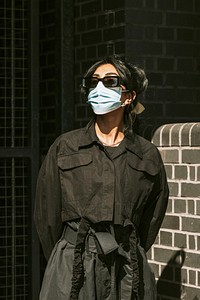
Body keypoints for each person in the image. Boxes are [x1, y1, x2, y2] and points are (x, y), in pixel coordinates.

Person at [34, 55, 169, 300]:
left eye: (109, 81)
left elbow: (152, 218)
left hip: (127, 269)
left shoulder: (146, 155)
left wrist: (126, 246)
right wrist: (72, 252)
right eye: (93, 82)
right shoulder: (66, 146)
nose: (99, 89)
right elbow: (47, 217)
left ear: (129, 96)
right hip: (73, 267)